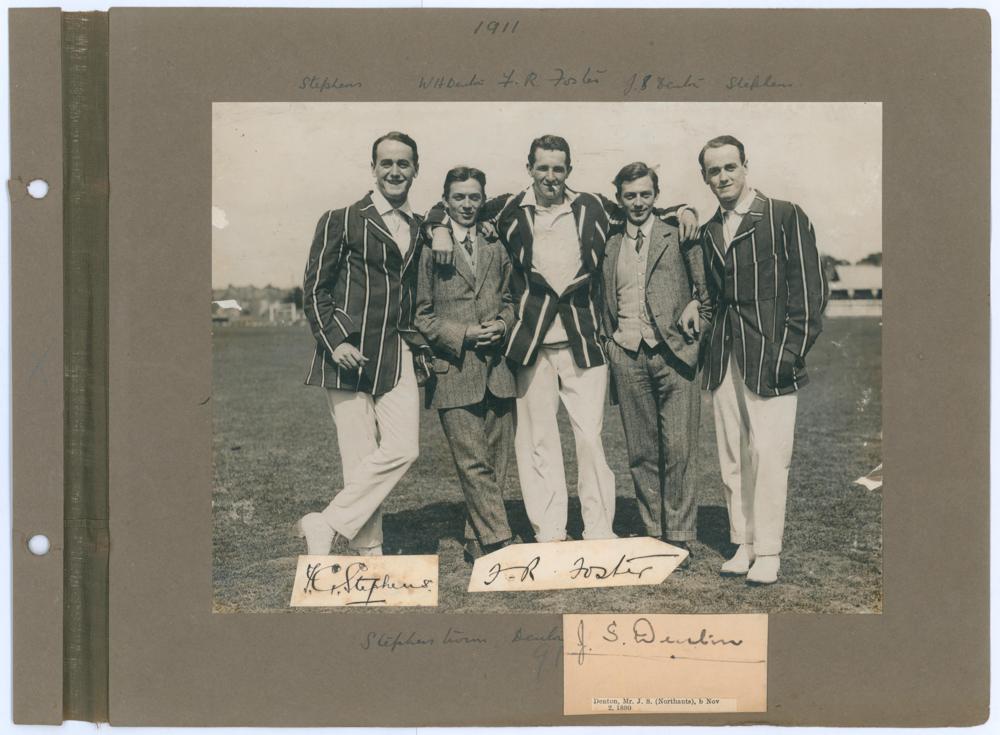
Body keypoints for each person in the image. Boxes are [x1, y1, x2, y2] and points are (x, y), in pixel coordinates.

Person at [428, 135, 697, 543]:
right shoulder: (505, 209)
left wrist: (686, 209)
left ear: (568, 170)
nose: (550, 176)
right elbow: (451, 207)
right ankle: (550, 530)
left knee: (589, 439)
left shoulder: (591, 206)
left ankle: (598, 528)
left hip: (583, 340)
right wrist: (437, 229)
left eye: (558, 168)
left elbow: (643, 210)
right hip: (530, 343)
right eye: (543, 168)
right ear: (530, 168)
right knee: (538, 442)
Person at [698, 135, 828, 584]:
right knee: (733, 455)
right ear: (705, 178)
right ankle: (744, 542)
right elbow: (716, 297)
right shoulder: (709, 229)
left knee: (771, 454)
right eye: (713, 171)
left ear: (745, 166)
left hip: (772, 358)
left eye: (729, 167)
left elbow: (810, 294)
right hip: (724, 359)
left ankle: (769, 551)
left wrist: (790, 354)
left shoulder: (783, 214)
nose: (723, 177)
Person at [297, 131, 427, 556]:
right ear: (373, 168)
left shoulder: (423, 226)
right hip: (347, 356)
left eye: (403, 163)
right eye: (386, 163)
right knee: (358, 458)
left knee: (404, 449)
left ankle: (328, 521)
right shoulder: (341, 218)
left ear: (415, 170)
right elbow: (315, 290)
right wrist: (335, 342)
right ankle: (370, 551)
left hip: (396, 353)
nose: (394, 171)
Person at [600, 162, 711, 565]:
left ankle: (679, 535)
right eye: (630, 195)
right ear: (619, 199)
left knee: (679, 448)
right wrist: (611, 346)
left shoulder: (679, 234)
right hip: (627, 356)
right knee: (642, 451)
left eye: (645, 194)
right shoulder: (609, 242)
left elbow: (707, 294)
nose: (638, 202)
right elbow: (603, 302)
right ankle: (653, 531)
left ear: (656, 196)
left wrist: (696, 316)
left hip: (675, 356)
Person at [414, 166, 519, 561]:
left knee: (495, 460)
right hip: (453, 370)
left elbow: (510, 301)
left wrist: (502, 325)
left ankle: (476, 539)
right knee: (472, 461)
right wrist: (465, 335)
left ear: (483, 199)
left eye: (474, 197)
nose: (467, 205)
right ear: (445, 201)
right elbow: (422, 315)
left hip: (498, 369)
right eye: (459, 197)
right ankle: (498, 540)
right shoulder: (432, 248)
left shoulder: (496, 244)